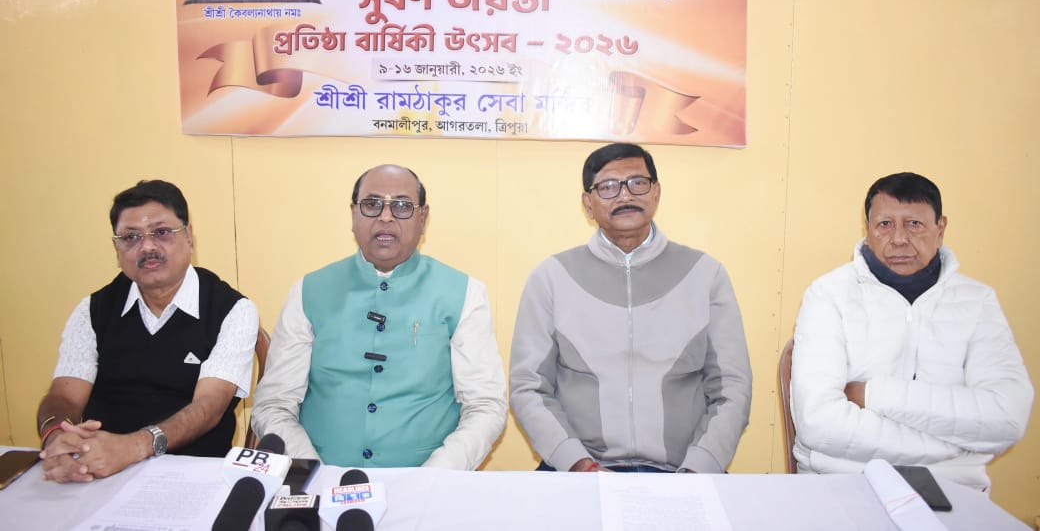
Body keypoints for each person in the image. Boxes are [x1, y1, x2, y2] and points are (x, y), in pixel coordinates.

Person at [510, 143, 753, 473]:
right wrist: (578, 464)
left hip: (682, 470)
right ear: (588, 203)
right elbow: (528, 388)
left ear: (656, 193)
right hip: (577, 470)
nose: (625, 195)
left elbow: (733, 389)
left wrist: (698, 468)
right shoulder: (552, 277)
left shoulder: (705, 274)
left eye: (638, 183)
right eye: (608, 186)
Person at [252, 164, 506, 469]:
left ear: (423, 218)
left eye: (402, 206)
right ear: (353, 214)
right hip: (323, 477)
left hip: (426, 479)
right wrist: (312, 472)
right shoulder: (308, 292)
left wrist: (434, 476)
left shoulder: (464, 294)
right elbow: (273, 405)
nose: (386, 217)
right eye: (372, 204)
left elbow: (485, 406)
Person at [791, 172, 1033, 490]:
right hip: (841, 481)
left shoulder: (977, 301)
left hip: (954, 487)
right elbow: (818, 423)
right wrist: (958, 443)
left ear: (940, 229)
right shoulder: (829, 294)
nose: (899, 239)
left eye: (914, 224)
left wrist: (873, 394)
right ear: (867, 229)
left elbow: (1007, 418)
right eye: (884, 224)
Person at [36, 180, 259, 483]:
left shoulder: (232, 310)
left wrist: (135, 446)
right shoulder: (93, 310)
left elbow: (208, 408)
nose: (148, 247)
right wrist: (56, 438)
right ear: (117, 249)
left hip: (193, 473)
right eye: (131, 237)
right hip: (100, 471)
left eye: (162, 232)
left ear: (188, 236)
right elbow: (64, 397)